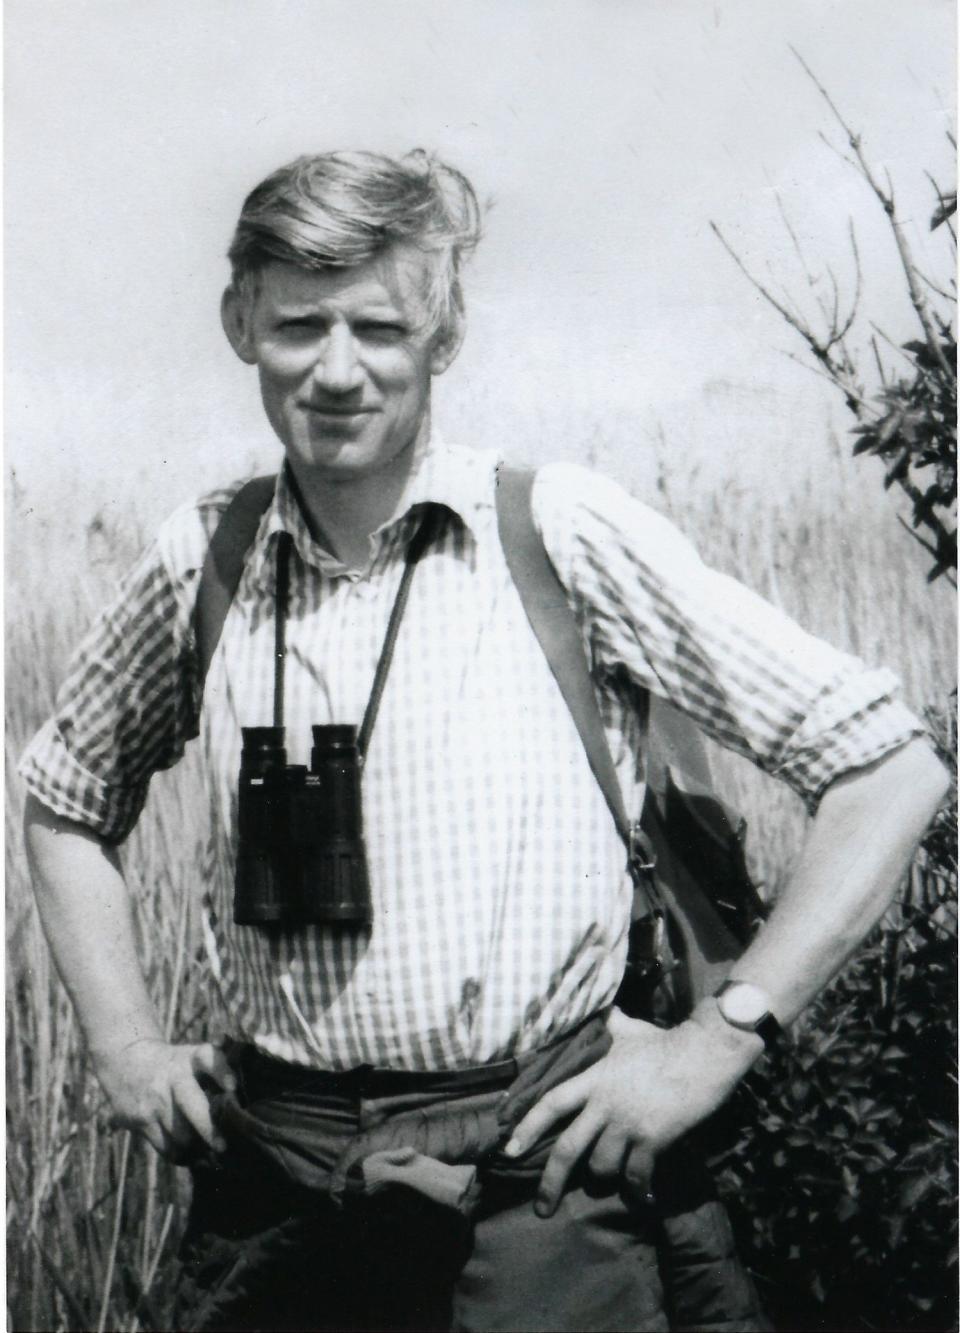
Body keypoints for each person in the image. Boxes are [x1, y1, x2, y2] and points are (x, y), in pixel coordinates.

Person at [21, 149, 948, 1333]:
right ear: (239, 320)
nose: (339, 370)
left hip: (540, 1196)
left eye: (381, 327)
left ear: (443, 336)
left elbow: (886, 764)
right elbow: (63, 796)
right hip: (280, 1200)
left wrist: (717, 1043)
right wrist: (123, 1049)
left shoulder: (550, 533)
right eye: (301, 325)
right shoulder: (200, 558)